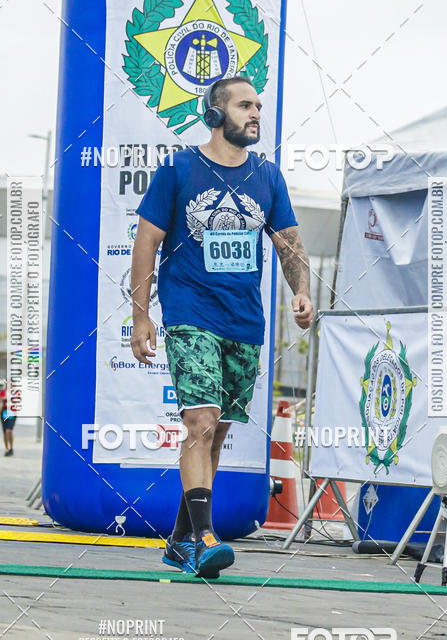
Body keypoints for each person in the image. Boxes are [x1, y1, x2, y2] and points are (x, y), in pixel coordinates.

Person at [131, 75, 314, 578]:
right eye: (244, 106)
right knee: (201, 423)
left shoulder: (268, 176)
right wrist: (141, 315)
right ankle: (204, 537)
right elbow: (146, 243)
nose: (255, 114)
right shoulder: (179, 169)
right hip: (191, 312)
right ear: (215, 114)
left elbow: (289, 243)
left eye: (258, 107)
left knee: (216, 433)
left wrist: (301, 291)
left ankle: (179, 540)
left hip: (244, 322)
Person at [0, 384, 16, 456]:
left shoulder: (16, 392)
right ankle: (6, 449)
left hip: (12, 413)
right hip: (4, 413)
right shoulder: (3, 392)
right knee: (5, 432)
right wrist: (3, 398)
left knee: (9, 431)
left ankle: (11, 448)